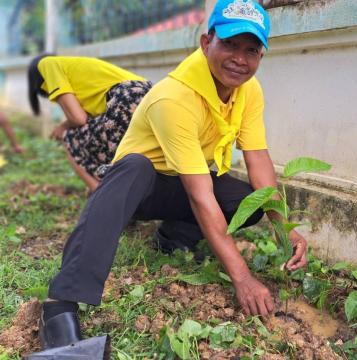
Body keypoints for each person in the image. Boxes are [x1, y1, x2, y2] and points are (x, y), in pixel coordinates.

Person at [36, 0, 308, 351]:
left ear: (261, 56)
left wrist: (285, 228)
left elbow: (258, 160)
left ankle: (172, 239)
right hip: (137, 190)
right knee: (135, 167)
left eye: (251, 50)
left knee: (247, 201)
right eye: (229, 44)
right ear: (206, 42)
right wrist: (242, 277)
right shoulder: (175, 97)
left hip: (184, 181)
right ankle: (60, 305)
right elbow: (199, 194)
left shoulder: (248, 91)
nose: (240, 58)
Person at [28, 55, 152, 193]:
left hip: (126, 99)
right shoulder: (76, 71)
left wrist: (61, 127)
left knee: (70, 137)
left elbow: (78, 119)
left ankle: (101, 195)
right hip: (151, 96)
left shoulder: (47, 64)